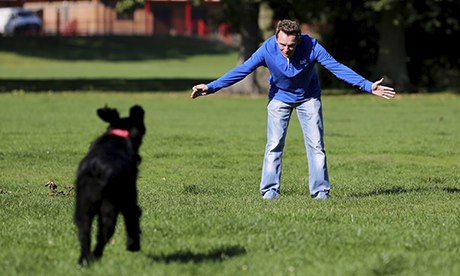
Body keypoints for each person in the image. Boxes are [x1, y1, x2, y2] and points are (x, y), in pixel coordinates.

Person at [191, 19, 395, 200]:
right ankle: (270, 192)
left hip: (309, 97)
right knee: (274, 144)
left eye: (291, 45)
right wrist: (210, 87)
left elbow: (336, 67)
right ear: (275, 38)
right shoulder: (267, 49)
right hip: (279, 98)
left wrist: (367, 86)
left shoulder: (312, 46)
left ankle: (320, 193)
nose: (286, 49)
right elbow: (242, 70)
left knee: (316, 146)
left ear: (299, 39)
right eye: (282, 44)